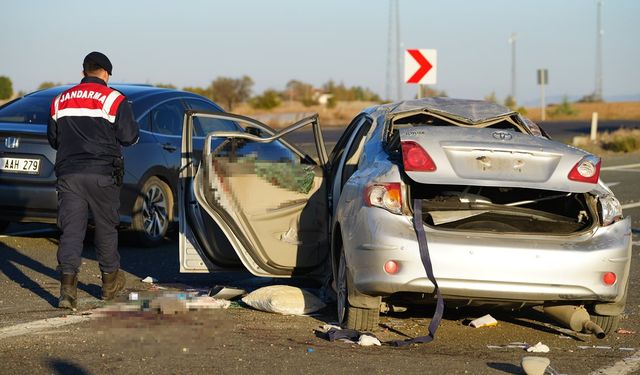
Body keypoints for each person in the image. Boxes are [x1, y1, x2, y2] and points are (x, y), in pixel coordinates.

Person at [47, 51, 139, 310]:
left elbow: (54, 139)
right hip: (102, 175)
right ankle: (109, 285)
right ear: (106, 74)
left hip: (69, 175)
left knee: (71, 231)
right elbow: (129, 137)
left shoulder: (60, 100)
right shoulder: (114, 99)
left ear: (83, 72)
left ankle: (67, 291)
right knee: (106, 228)